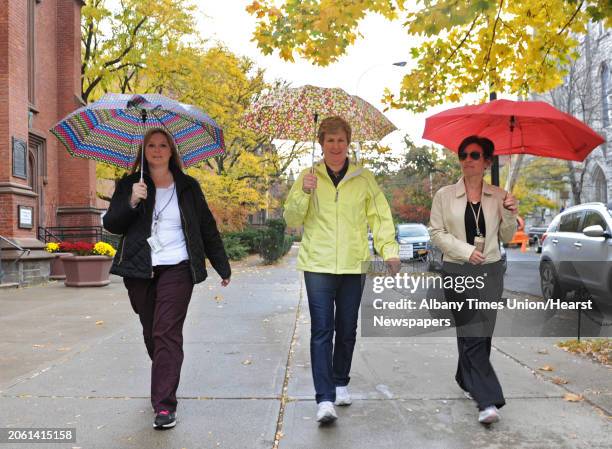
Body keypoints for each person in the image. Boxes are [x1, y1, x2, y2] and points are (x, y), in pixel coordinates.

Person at [103, 127, 231, 430]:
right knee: (152, 334)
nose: (157, 150)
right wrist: (131, 201)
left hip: (178, 266)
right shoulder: (130, 184)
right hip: (140, 270)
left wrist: (222, 265)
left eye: (163, 145)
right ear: (144, 151)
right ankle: (164, 372)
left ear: (172, 151)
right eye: (151, 145)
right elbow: (112, 224)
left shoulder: (188, 186)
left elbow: (207, 227)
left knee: (166, 332)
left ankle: (163, 405)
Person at [284, 116, 400, 424]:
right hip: (318, 263)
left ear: (348, 143)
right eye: (329, 140)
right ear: (320, 143)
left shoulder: (364, 178)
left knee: (347, 328)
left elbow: (380, 216)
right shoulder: (307, 176)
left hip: (353, 263)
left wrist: (389, 251)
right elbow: (291, 218)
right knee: (323, 329)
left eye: (340, 140)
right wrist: (303, 193)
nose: (335, 145)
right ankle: (324, 399)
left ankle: (340, 381)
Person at [428, 135, 518, 425]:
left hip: (491, 271)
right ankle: (487, 400)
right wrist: (466, 252)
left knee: (480, 335)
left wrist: (510, 214)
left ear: (487, 161)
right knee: (474, 333)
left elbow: (506, 237)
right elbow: (436, 233)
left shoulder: (499, 195)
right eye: (463, 154)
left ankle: (464, 376)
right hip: (457, 271)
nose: (468, 159)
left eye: (475, 155)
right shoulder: (444, 195)